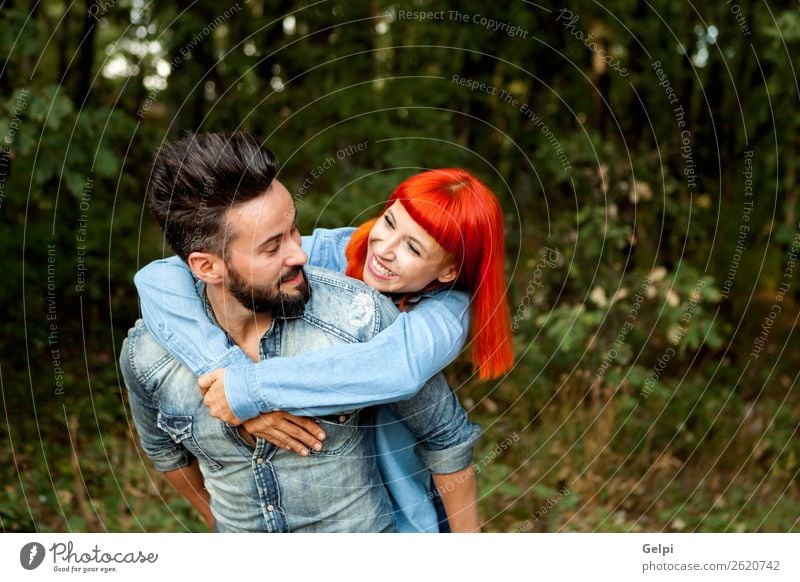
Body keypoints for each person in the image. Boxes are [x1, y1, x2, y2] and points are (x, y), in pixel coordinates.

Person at [121, 132, 485, 533]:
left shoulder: (430, 310)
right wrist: (226, 374)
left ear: (448, 270)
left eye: (414, 249)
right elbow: (156, 278)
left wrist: (248, 391)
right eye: (389, 222)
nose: (300, 253)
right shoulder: (335, 252)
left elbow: (404, 373)